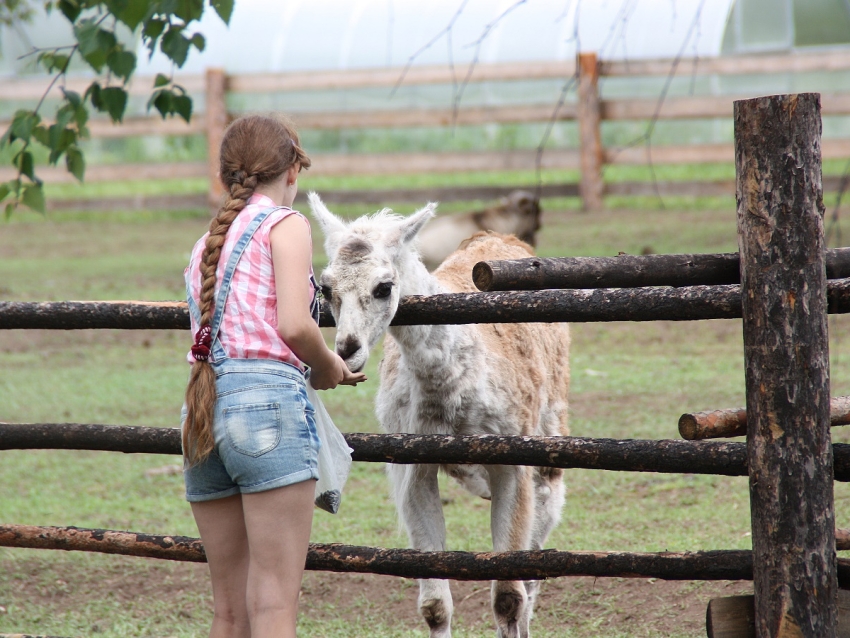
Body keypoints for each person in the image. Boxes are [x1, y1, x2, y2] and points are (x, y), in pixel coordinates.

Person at [181, 113, 366, 638]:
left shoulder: (205, 247)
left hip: (201, 412)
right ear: (291, 172)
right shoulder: (285, 226)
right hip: (265, 409)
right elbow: (293, 324)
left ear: (226, 178)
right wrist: (330, 366)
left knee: (229, 613)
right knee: (273, 607)